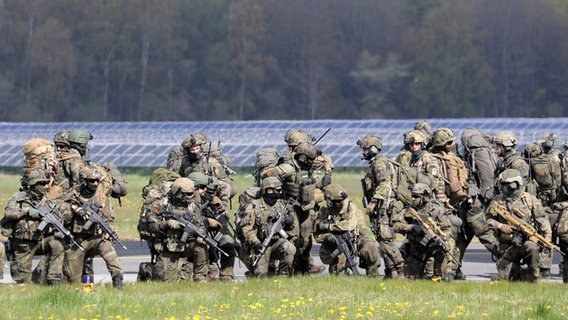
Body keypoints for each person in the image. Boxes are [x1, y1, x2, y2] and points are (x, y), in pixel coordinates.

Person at [261, 141, 324, 274]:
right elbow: (266, 175)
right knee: (293, 238)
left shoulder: (308, 167)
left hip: (306, 208)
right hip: (291, 207)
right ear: (302, 157)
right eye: (311, 158)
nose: (313, 161)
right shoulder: (288, 168)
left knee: (306, 240)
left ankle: (304, 268)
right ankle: (288, 270)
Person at [61, 165, 125, 288]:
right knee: (73, 277)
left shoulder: (101, 197)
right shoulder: (74, 194)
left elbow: (109, 218)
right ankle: (81, 290)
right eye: (92, 181)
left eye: (97, 181)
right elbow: (63, 213)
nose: (95, 184)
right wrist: (76, 210)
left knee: (113, 260)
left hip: (98, 237)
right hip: (78, 240)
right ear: (84, 180)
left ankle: (119, 285)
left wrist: (110, 233)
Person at [486, 169, 552, 282]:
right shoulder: (497, 201)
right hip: (507, 246)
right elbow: (487, 221)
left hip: (525, 243)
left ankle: (532, 279)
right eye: (504, 185)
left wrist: (547, 240)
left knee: (532, 247)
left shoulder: (529, 199)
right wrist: (501, 226)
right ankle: (519, 274)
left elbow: (543, 222)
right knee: (507, 279)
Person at [1, 169, 65, 285]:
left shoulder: (48, 202)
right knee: (23, 281)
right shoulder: (19, 197)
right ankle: (32, 277)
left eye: (47, 183)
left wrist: (58, 230)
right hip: (23, 244)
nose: (46, 186)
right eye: (42, 183)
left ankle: (53, 279)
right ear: (33, 184)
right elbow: (8, 212)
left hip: (41, 241)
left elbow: (58, 218)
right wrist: (26, 211)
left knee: (57, 244)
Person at [357, 135, 404, 278]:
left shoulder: (379, 164)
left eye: (365, 149)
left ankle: (401, 270)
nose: (363, 153)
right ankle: (391, 271)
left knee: (385, 241)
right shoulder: (377, 163)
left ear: (372, 149)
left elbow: (384, 184)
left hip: (384, 207)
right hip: (382, 206)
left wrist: (373, 203)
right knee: (382, 239)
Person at [146, 177, 209, 282]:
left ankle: (200, 278)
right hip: (166, 246)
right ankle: (145, 269)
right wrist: (166, 224)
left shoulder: (192, 206)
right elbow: (151, 226)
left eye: (192, 193)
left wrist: (201, 234)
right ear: (178, 192)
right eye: (188, 194)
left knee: (202, 246)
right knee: (167, 281)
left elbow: (200, 224)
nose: (192, 196)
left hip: (184, 245)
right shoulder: (161, 203)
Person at [238, 176, 298, 277]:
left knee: (289, 248)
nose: (280, 192)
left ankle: (283, 277)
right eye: (277, 190)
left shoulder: (282, 205)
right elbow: (247, 231)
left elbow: (293, 230)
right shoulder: (253, 207)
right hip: (260, 246)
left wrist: (290, 222)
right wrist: (257, 243)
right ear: (269, 190)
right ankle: (253, 273)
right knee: (261, 276)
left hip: (276, 244)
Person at [315, 183, 380, 276]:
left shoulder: (351, 209)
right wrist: (327, 236)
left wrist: (329, 227)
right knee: (338, 275)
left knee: (370, 246)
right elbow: (317, 236)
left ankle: (373, 275)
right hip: (337, 247)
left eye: (341, 200)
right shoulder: (324, 212)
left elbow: (350, 225)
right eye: (336, 201)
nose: (339, 203)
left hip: (354, 241)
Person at [392, 183, 454, 281]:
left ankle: (440, 274)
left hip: (433, 247)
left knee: (444, 250)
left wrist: (442, 238)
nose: (413, 199)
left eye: (416, 196)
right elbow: (395, 226)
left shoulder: (436, 210)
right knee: (411, 279)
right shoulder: (409, 210)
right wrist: (411, 227)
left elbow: (447, 229)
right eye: (412, 196)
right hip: (416, 248)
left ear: (424, 197)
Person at [188, 172, 237, 281]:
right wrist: (207, 221)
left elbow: (221, 219)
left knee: (228, 241)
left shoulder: (210, 200)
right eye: (202, 188)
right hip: (195, 240)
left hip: (211, 236)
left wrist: (219, 214)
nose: (205, 191)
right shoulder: (187, 200)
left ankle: (226, 276)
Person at [176, 133, 234, 207]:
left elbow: (224, 183)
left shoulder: (211, 162)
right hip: (191, 193)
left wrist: (208, 188)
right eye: (192, 150)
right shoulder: (184, 163)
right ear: (187, 151)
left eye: (197, 149)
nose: (195, 152)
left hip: (210, 193)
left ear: (201, 148)